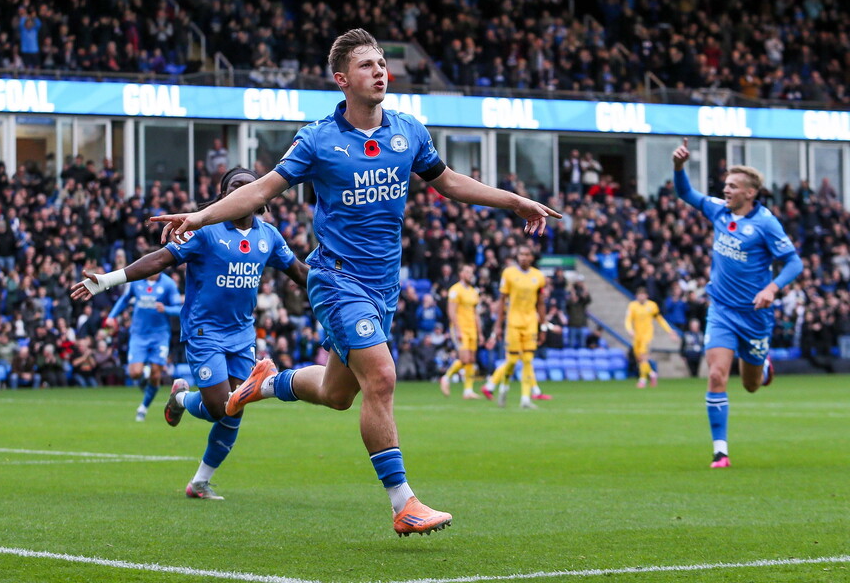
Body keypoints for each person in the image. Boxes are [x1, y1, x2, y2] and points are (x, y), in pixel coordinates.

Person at [150, 28, 560, 534]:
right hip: (337, 280)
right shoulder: (318, 138)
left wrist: (512, 200)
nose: (380, 71)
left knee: (336, 393)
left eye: (383, 62)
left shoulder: (409, 131)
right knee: (382, 378)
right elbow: (260, 191)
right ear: (342, 79)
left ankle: (264, 384)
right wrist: (201, 216)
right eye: (367, 65)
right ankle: (404, 504)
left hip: (383, 285)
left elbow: (449, 182)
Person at [74, 167, 309, 500]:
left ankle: (199, 482)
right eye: (233, 187)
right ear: (224, 196)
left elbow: (299, 272)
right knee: (218, 407)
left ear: (261, 196)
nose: (240, 191)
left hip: (242, 334)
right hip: (205, 331)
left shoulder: (268, 236)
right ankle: (181, 398)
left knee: (234, 410)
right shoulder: (206, 231)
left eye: (248, 186)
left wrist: (340, 290)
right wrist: (109, 280)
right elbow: (159, 260)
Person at [672, 137, 802, 468]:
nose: (725, 190)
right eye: (725, 185)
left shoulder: (766, 223)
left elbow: (794, 264)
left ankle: (763, 365)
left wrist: (772, 288)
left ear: (749, 192)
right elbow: (686, 194)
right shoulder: (718, 209)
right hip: (722, 310)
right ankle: (720, 451)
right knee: (716, 374)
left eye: (732, 186)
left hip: (755, 315)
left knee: (751, 385)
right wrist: (679, 167)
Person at [105, 256, 183, 421]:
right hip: (139, 333)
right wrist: (112, 316)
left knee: (156, 375)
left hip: (160, 334)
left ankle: (143, 407)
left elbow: (180, 309)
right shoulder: (137, 282)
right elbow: (124, 300)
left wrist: (166, 309)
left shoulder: (168, 284)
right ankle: (145, 377)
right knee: (134, 373)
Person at [481, 245, 550, 409]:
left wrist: (543, 326)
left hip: (530, 323)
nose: (524, 257)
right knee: (511, 360)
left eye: (527, 254)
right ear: (517, 257)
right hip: (513, 322)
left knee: (527, 359)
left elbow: (541, 303)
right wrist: (498, 326)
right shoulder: (509, 273)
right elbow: (502, 301)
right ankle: (503, 388)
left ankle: (525, 399)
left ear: (532, 258)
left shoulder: (538, 276)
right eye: (521, 254)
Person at [439, 264, 481, 399]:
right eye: (467, 272)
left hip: (472, 329)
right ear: (461, 274)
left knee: (471, 360)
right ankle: (446, 378)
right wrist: (457, 329)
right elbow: (451, 311)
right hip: (460, 328)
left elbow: (476, 314)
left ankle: (468, 391)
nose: (470, 274)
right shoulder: (455, 290)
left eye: (471, 272)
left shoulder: (474, 291)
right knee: (464, 359)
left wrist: (480, 332)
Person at [625, 287, 678, 388]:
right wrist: (629, 330)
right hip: (637, 335)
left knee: (643, 356)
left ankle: (642, 380)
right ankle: (652, 374)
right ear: (636, 296)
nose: (641, 296)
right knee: (639, 358)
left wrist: (669, 330)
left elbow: (659, 319)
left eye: (643, 294)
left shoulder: (652, 306)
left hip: (647, 335)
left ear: (646, 296)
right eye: (639, 295)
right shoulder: (632, 306)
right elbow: (628, 319)